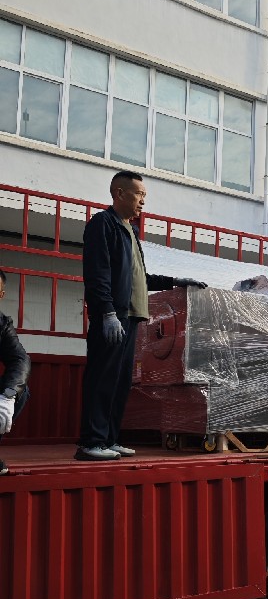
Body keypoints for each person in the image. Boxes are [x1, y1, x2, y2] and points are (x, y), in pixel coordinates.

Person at [76, 171, 204, 461]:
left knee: (121, 382)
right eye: (139, 195)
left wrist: (175, 281)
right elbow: (98, 273)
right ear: (119, 193)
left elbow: (140, 278)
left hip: (132, 316)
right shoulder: (103, 224)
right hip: (113, 316)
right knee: (102, 378)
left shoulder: (131, 231)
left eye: (145, 196)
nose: (143, 201)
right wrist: (107, 313)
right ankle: (91, 442)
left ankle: (109, 439)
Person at [0, 269, 31, 475]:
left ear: (1, 295)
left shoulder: (2, 324)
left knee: (20, 390)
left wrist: (7, 396)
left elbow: (20, 359)